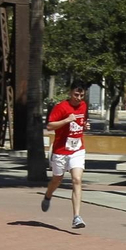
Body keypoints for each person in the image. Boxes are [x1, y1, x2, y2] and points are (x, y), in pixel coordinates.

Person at [41, 80, 90, 229]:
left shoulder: (83, 106)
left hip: (77, 150)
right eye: (76, 94)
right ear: (70, 93)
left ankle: (77, 217)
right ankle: (48, 195)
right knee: (57, 179)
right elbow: (49, 126)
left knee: (77, 180)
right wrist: (66, 120)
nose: (79, 98)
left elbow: (81, 123)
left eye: (81, 95)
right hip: (61, 151)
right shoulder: (61, 107)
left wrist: (85, 126)